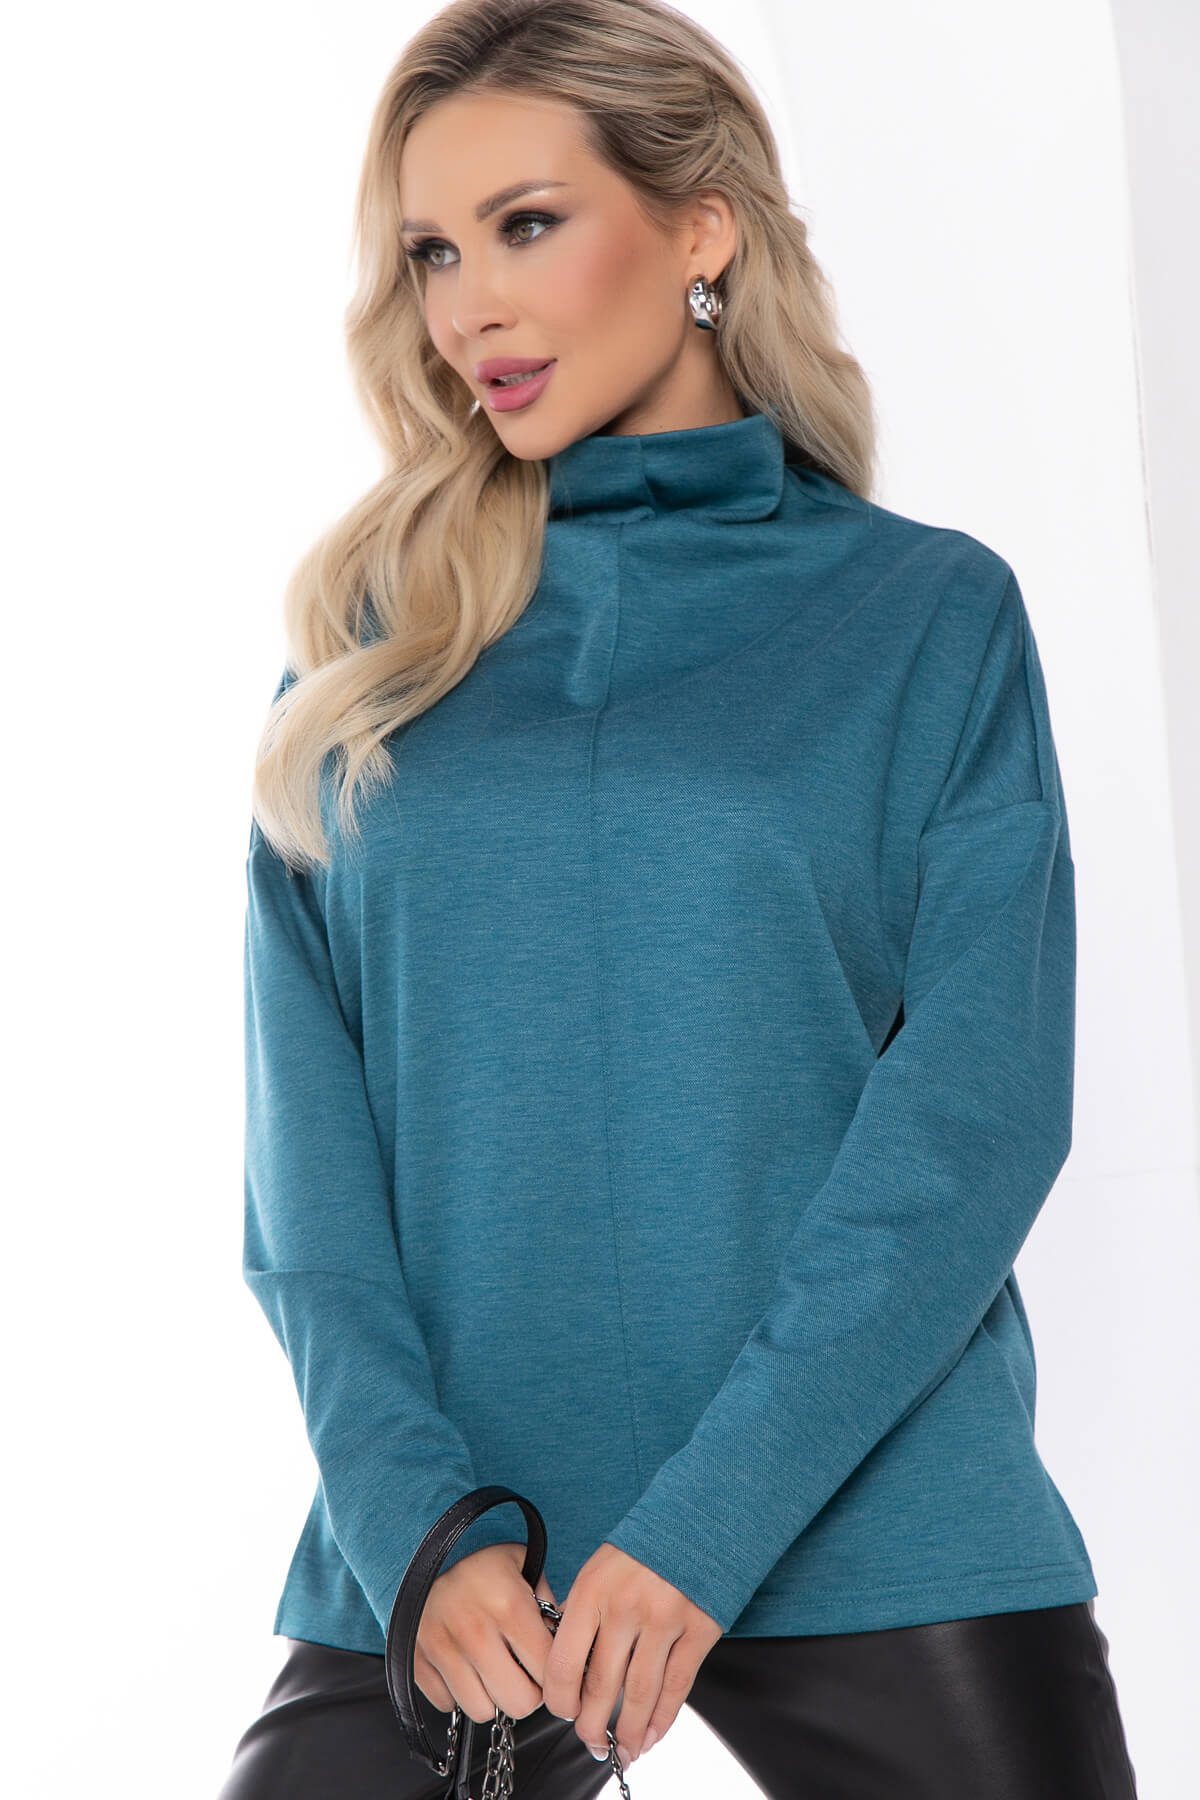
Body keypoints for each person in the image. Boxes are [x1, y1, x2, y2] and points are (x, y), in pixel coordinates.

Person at [220, 2, 1141, 1794]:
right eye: (432, 251)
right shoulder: (365, 657)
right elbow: (305, 1182)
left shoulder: (925, 618)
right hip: (457, 1566)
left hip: (872, 1517)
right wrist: (412, 1527)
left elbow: (972, 1120)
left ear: (701, 226)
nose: (468, 307)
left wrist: (707, 1528)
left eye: (526, 224)